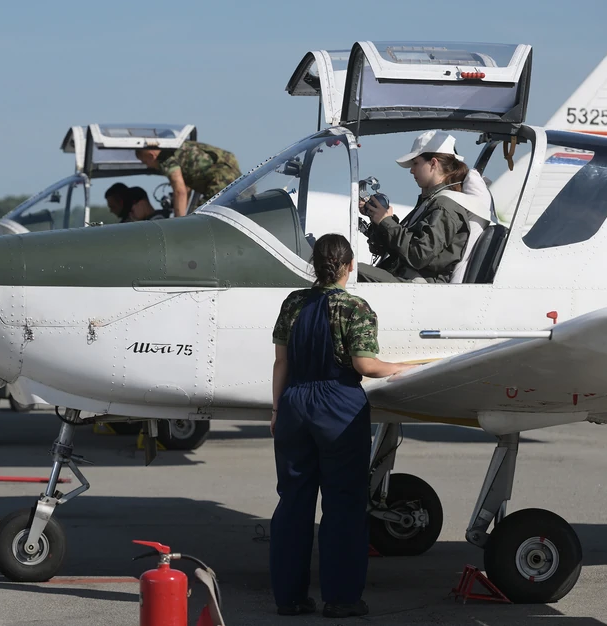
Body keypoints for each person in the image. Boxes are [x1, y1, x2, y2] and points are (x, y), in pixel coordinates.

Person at [269, 233, 416, 618]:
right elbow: (365, 366)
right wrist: (404, 366)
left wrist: (276, 410)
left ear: (316, 266)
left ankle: (290, 598)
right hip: (338, 406)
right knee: (343, 505)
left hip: (294, 403)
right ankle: (341, 598)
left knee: (293, 502)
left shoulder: (293, 302)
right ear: (350, 266)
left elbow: (281, 362)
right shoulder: (355, 307)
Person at [359, 130, 491, 283]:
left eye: (416, 163)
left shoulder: (446, 206)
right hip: (405, 276)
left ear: (433, 163)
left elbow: (419, 255)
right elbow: (391, 249)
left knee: (342, 271)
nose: (411, 170)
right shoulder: (431, 202)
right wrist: (378, 220)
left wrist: (386, 222)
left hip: (419, 284)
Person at [135, 140, 241, 217]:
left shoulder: (166, 159)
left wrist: (179, 224)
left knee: (199, 218)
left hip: (220, 181)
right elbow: (185, 188)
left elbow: (179, 191)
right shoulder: (178, 147)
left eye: (145, 162)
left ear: (151, 156)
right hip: (235, 176)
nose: (148, 166)